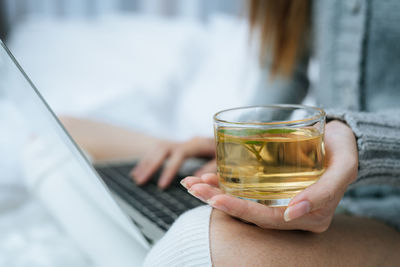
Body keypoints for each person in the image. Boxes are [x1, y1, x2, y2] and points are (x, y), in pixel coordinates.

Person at [62, 0, 400, 265]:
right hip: (311, 167)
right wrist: (245, 146)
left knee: (194, 243)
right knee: (67, 135)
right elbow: (283, 70)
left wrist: (357, 140)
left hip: (385, 207)